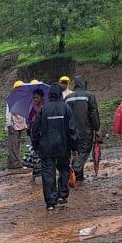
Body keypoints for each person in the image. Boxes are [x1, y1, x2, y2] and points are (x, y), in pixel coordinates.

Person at [30, 82, 77, 210]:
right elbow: (72, 129)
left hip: (46, 147)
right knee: (63, 169)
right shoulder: (66, 108)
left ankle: (51, 202)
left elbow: (35, 130)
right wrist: (74, 147)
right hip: (63, 146)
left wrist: (35, 145)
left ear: (49, 94)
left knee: (48, 173)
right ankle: (62, 195)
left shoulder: (43, 109)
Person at [64, 76, 100, 184]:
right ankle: (74, 170)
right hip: (85, 130)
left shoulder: (67, 98)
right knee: (83, 151)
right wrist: (96, 128)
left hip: (70, 131)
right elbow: (93, 113)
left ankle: (78, 177)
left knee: (75, 152)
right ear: (84, 84)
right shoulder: (89, 96)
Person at [5, 81, 27, 170]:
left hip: (20, 124)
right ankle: (15, 163)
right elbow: (8, 112)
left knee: (16, 144)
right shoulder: (11, 98)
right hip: (13, 124)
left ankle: (11, 162)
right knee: (13, 145)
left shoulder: (22, 98)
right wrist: (9, 124)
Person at [25, 88, 45, 181]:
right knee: (34, 154)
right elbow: (29, 120)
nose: (35, 99)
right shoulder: (32, 108)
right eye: (34, 98)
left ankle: (43, 174)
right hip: (34, 133)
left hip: (43, 133)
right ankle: (34, 175)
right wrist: (30, 123)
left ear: (41, 98)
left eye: (37, 97)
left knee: (42, 155)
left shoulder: (45, 107)